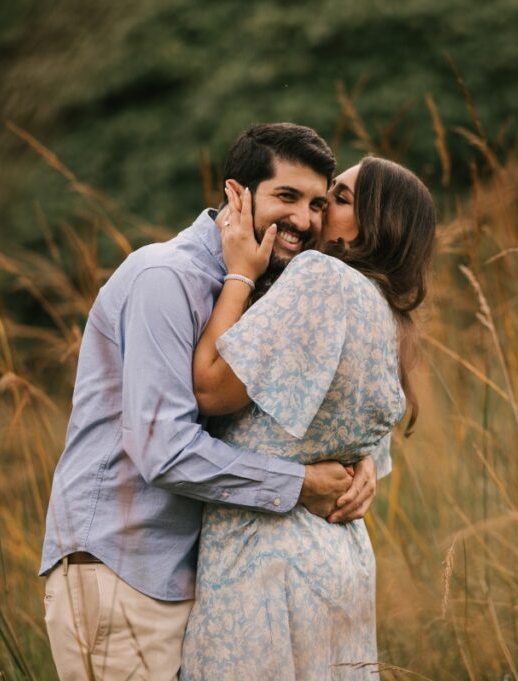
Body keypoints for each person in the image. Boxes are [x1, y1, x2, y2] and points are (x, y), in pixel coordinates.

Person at [39, 123, 383, 681]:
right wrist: (301, 485)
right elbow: (163, 449)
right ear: (237, 196)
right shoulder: (166, 278)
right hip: (122, 571)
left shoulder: (266, 291)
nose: (305, 220)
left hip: (194, 578)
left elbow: (280, 418)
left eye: (319, 203)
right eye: (287, 197)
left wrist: (360, 464)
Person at [182, 156, 436, 679]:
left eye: (336, 201)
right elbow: (361, 445)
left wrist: (238, 274)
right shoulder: (391, 315)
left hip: (264, 556)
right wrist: (363, 468)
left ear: (373, 225)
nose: (315, 218)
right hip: (340, 556)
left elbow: (209, 387)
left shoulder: (321, 277)